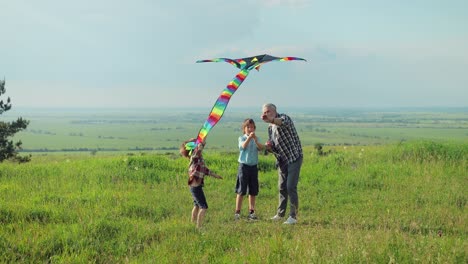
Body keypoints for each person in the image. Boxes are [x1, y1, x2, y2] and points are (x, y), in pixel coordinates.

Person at [261, 103, 303, 225]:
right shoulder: (270, 127)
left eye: (268, 111)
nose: (265, 114)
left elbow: (282, 122)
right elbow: (274, 146)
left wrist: (272, 120)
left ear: (274, 111)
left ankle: (293, 217)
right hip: (282, 160)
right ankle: (280, 214)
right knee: (282, 187)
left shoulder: (284, 118)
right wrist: (269, 146)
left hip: (294, 157)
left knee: (290, 186)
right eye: (264, 112)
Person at [180, 138, 222, 229]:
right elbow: (198, 150)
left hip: (195, 186)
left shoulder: (198, 158)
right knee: (204, 207)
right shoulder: (195, 157)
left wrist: (215, 175)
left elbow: (205, 170)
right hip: (195, 187)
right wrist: (201, 144)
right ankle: (199, 227)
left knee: (196, 205)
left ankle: (192, 224)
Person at [235, 118, 264, 221]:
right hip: (244, 166)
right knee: (241, 190)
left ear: (254, 128)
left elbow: (261, 148)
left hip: (253, 167)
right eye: (248, 127)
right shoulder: (241, 138)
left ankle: (251, 212)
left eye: (252, 127)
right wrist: (249, 138)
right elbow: (242, 147)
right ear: (244, 129)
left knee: (253, 190)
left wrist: (255, 140)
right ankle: (237, 212)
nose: (250, 129)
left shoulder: (257, 138)